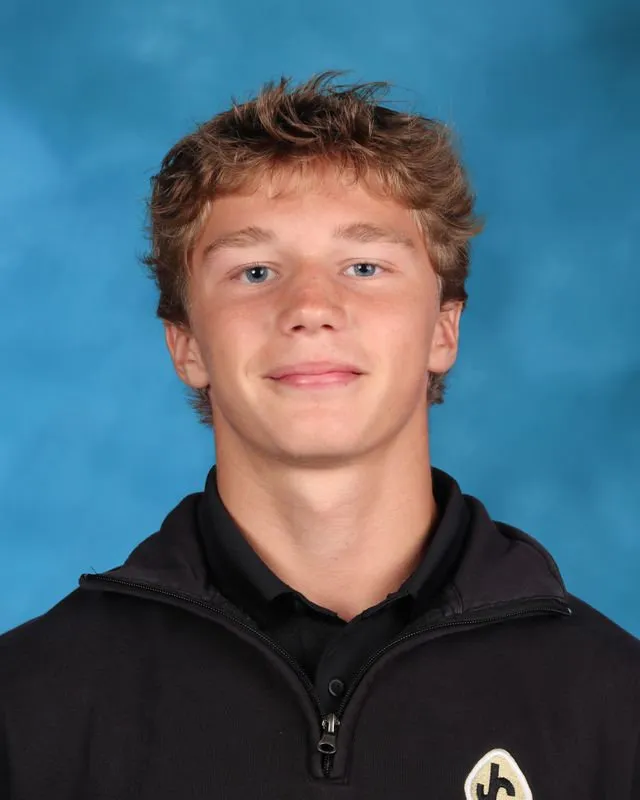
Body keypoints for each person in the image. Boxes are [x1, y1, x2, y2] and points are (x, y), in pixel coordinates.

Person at [1, 71, 638, 800]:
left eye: (364, 266)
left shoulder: (613, 705)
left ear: (443, 328)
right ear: (187, 345)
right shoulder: (29, 707)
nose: (310, 307)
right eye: (255, 270)